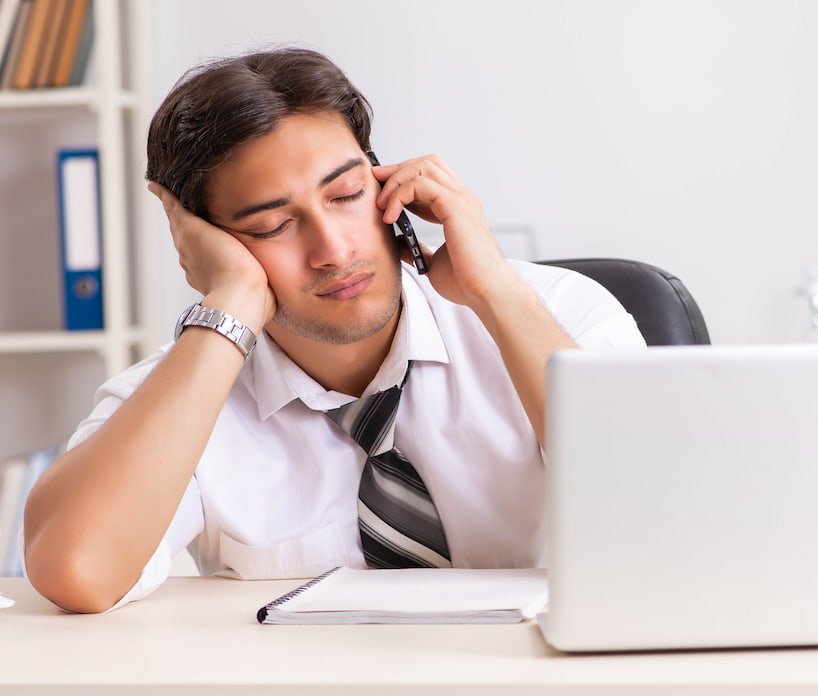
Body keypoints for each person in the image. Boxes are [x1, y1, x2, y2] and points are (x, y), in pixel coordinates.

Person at [21, 48, 645, 613]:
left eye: (346, 194)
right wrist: (231, 301)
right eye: (271, 227)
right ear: (204, 244)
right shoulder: (181, 394)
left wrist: (496, 294)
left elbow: (653, 511)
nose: (333, 248)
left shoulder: (561, 312)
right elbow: (79, 571)